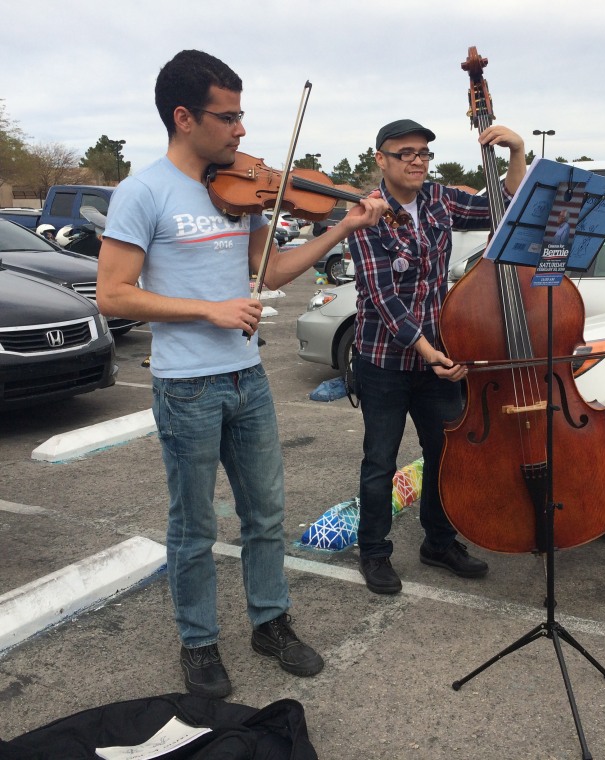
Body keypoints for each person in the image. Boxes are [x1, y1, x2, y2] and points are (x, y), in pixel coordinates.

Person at [96, 49, 388, 699]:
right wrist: (209, 307)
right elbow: (113, 295)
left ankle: (270, 622)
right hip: (186, 386)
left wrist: (342, 225)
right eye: (227, 117)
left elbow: (274, 269)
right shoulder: (142, 192)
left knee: (265, 514)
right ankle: (198, 642)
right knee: (193, 524)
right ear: (183, 117)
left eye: (242, 115)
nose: (241, 131)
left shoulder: (244, 190)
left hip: (247, 380)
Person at [348, 118, 526, 595]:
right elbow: (383, 299)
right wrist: (430, 352)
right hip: (385, 361)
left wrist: (515, 152)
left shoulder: (442, 199)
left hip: (436, 358)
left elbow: (505, 207)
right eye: (405, 152)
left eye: (424, 152)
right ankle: (374, 552)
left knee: (446, 454)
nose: (417, 160)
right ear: (380, 159)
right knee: (380, 462)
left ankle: (439, 543)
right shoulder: (365, 214)